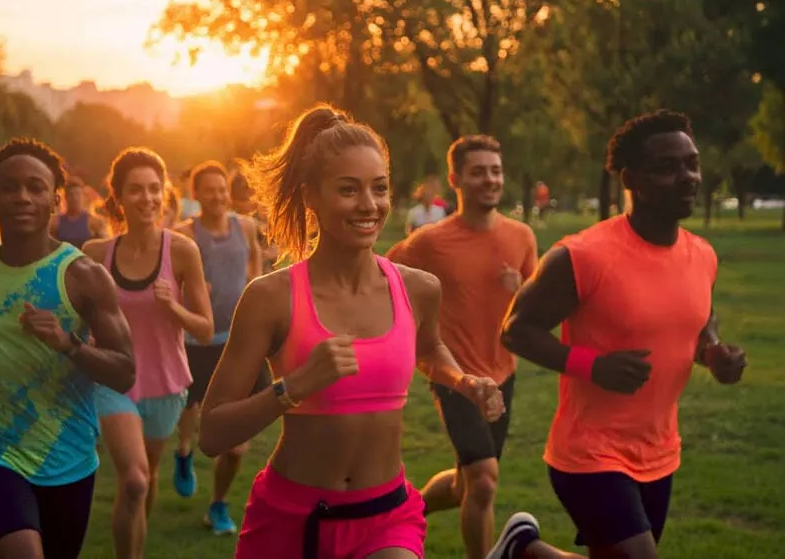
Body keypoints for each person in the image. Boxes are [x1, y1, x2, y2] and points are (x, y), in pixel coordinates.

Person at [197, 105, 505, 559]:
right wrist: (295, 386)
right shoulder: (271, 298)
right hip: (290, 518)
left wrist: (464, 382)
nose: (369, 205)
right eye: (348, 189)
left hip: (385, 516)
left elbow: (430, 347)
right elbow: (212, 433)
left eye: (379, 188)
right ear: (311, 197)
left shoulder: (418, 288)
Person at [500, 111, 747, 559]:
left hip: (659, 450)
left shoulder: (702, 255)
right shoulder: (583, 256)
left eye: (692, 164)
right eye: (667, 167)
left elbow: (699, 324)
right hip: (589, 452)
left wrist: (713, 354)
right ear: (630, 179)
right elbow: (515, 330)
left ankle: (525, 551)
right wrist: (592, 365)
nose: (687, 177)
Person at [0, 138, 136, 559]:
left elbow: (125, 371)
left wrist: (69, 344)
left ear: (53, 200)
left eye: (35, 187)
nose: (22, 196)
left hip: (68, 453)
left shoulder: (83, 276)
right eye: (10, 187)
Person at [386, 135, 537, 558]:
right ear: (456, 179)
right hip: (453, 373)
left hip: (502, 371)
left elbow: (537, 306)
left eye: (495, 171)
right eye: (478, 172)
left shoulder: (521, 235)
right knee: (485, 478)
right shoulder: (431, 242)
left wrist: (520, 287)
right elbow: (385, 279)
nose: (490, 179)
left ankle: (403, 511)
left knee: (464, 483)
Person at [83, 148, 213, 559]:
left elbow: (206, 330)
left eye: (155, 189)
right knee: (136, 479)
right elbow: (78, 320)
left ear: (165, 194)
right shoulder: (94, 254)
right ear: (118, 197)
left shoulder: (181, 252)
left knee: (147, 476)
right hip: (114, 381)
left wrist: (173, 307)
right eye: (135, 190)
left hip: (166, 382)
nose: (147, 198)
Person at [171, 160, 262, 535]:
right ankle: (183, 453)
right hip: (196, 342)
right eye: (209, 189)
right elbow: (168, 282)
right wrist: (190, 292)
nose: (218, 196)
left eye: (222, 188)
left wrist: (255, 294)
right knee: (191, 408)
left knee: (238, 445)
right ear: (196, 195)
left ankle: (218, 505)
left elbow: (255, 266)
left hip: (239, 343)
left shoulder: (246, 226)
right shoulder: (183, 233)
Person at [50, 175, 107, 248]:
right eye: (71, 195)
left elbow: (105, 247)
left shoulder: (95, 222)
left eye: (78, 194)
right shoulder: (55, 223)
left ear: (83, 197)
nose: (75, 198)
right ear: (66, 198)